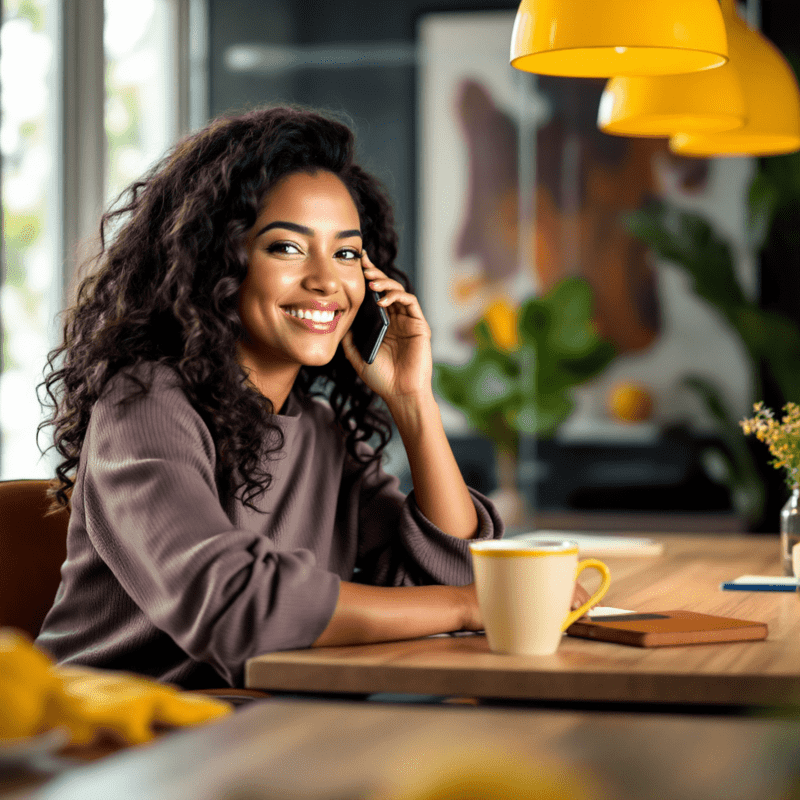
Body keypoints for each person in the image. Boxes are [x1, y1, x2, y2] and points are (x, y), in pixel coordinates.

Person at [34, 105, 506, 690]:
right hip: (120, 745)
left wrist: (413, 402)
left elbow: (452, 570)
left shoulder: (323, 430)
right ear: (218, 262)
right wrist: (467, 608)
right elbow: (237, 606)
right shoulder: (145, 406)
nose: (327, 281)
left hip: (269, 732)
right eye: (287, 248)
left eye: (347, 253)